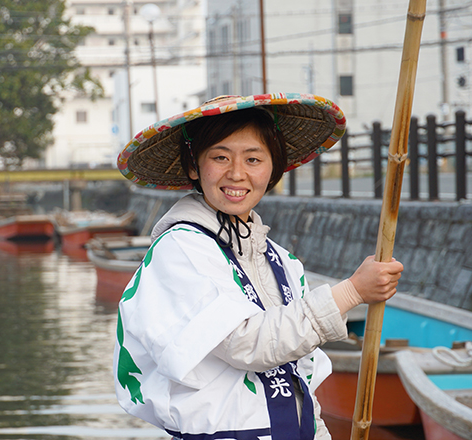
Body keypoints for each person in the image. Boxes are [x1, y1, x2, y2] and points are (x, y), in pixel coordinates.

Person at [113, 94, 404, 440]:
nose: (237, 173)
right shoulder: (179, 249)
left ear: (273, 168)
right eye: (220, 157)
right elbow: (246, 343)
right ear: (194, 166)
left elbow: (302, 377)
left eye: (253, 159)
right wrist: (353, 291)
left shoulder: (283, 261)